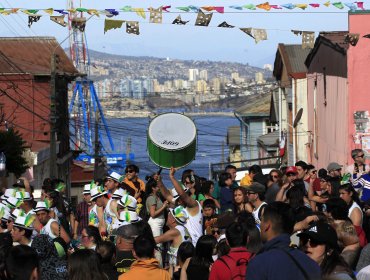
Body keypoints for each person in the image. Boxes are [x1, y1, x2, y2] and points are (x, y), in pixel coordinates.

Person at [246, 202, 321, 280]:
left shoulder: (258, 264)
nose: (260, 225)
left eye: (261, 220)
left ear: (267, 225)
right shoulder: (312, 265)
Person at [157, 168, 203, 247]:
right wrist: (159, 181)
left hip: (197, 245)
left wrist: (171, 176)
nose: (179, 200)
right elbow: (167, 195)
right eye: (178, 199)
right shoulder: (180, 204)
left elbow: (182, 194)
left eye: (180, 198)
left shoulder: (194, 205)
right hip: (186, 245)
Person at [154, 206, 191, 270]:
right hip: (182, 268)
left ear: (173, 220)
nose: (167, 216)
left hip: (179, 271)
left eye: (169, 214)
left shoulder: (175, 232)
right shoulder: (183, 229)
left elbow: (154, 240)